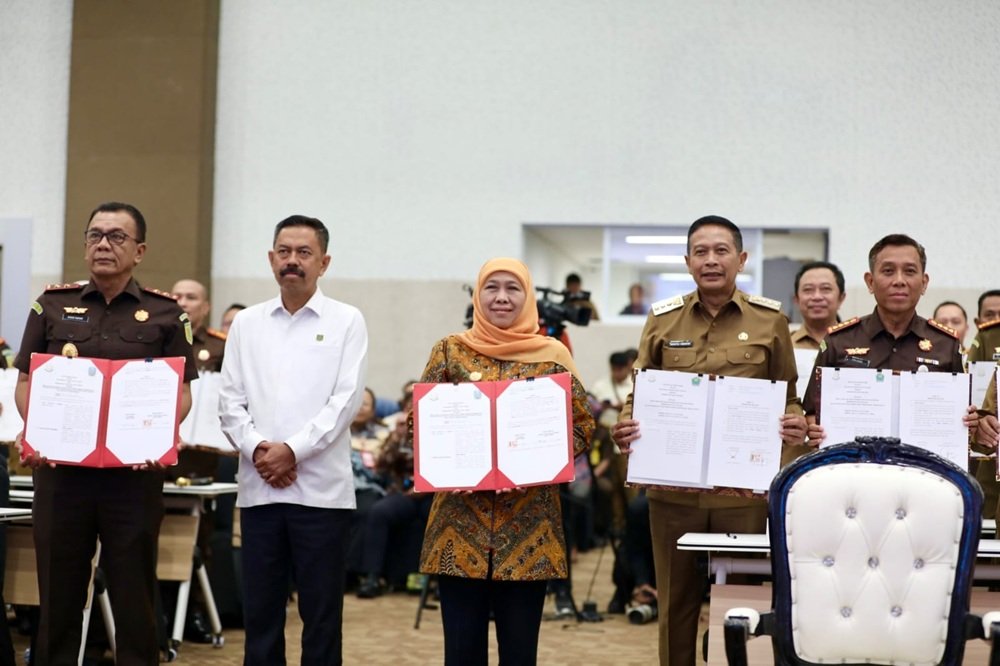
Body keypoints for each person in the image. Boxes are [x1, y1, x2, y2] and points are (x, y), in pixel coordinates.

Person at [611, 215, 806, 666]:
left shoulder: (769, 320)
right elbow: (640, 395)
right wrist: (625, 425)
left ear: (741, 259)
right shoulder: (662, 320)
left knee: (742, 603)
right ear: (687, 261)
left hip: (744, 492)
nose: (711, 260)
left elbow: (789, 398)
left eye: (721, 251)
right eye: (701, 251)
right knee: (676, 604)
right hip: (673, 491)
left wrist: (792, 423)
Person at [13, 201, 196, 665]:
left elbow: (182, 394)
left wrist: (159, 439)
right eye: (94, 235)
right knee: (56, 596)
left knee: (135, 595)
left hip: (133, 478)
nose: (103, 245)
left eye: (116, 237)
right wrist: (38, 434)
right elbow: (26, 383)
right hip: (62, 474)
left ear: (140, 250)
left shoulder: (166, 314)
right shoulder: (51, 305)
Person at [417, 258, 595, 666]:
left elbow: (582, 426)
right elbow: (423, 420)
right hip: (458, 532)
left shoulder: (552, 355)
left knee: (519, 653)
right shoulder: (449, 349)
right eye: (491, 287)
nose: (501, 297)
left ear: (527, 295)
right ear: (478, 295)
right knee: (461, 653)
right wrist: (449, 467)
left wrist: (537, 466)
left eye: (513, 288)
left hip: (528, 529)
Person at [219, 215, 368, 665]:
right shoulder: (246, 323)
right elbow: (229, 401)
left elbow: (345, 403)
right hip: (260, 490)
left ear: (323, 262)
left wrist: (292, 451)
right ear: (271, 259)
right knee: (261, 613)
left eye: (304, 253)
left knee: (321, 615)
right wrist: (261, 451)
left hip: (322, 496)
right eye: (284, 252)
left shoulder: (347, 320)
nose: (292, 261)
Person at [802, 234, 975, 443]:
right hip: (851, 469)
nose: (899, 281)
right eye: (888, 271)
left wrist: (972, 423)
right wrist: (815, 430)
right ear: (870, 281)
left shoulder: (946, 344)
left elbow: (965, 418)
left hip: (923, 471)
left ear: (924, 282)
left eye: (910, 271)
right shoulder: (838, 342)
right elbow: (812, 413)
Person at [171, 278, 226, 372]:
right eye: (177, 297)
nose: (182, 303)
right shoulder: (158, 339)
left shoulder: (220, 345)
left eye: (191, 298)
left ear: (205, 308)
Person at [790, 260, 846, 349]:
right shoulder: (785, 345)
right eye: (808, 289)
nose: (817, 297)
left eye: (826, 289)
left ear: (841, 298)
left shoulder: (858, 342)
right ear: (796, 299)